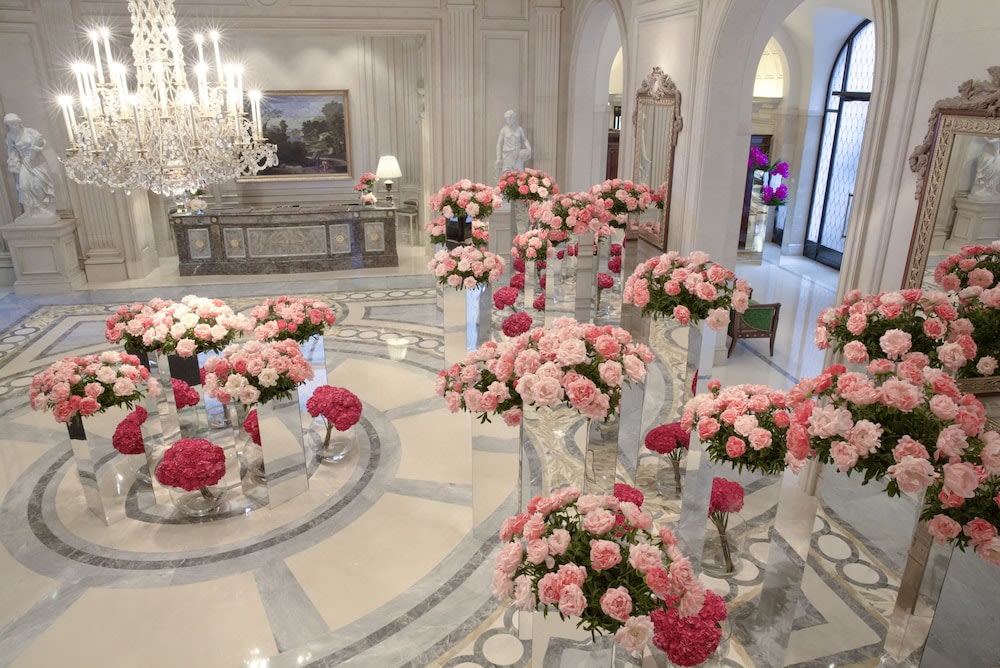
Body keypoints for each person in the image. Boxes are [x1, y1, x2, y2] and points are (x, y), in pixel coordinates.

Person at [5, 113, 56, 221]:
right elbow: (11, 149)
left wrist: (37, 149)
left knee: (38, 185)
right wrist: (13, 159)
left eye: (14, 122)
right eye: (10, 124)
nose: (13, 125)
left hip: (37, 161)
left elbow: (43, 143)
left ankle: (43, 209)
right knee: (23, 186)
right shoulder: (10, 135)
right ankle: (28, 212)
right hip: (24, 161)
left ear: (18, 121)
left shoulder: (30, 132)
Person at [495, 110, 532, 178]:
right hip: (507, 154)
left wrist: (529, 149)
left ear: (513, 118)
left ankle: (518, 188)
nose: (507, 120)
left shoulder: (519, 129)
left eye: (509, 118)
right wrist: (498, 158)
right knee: (506, 174)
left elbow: (525, 140)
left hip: (517, 154)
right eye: (506, 119)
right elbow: (499, 144)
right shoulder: (504, 130)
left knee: (519, 173)